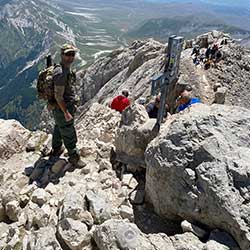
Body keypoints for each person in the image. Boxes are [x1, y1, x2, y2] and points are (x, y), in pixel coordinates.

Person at [50, 43, 85, 168]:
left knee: (59, 127)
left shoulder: (65, 69)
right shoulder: (60, 73)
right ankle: (74, 157)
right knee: (68, 132)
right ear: (61, 55)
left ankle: (56, 149)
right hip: (62, 107)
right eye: (67, 54)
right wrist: (66, 112)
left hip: (61, 107)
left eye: (72, 54)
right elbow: (59, 96)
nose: (70, 57)